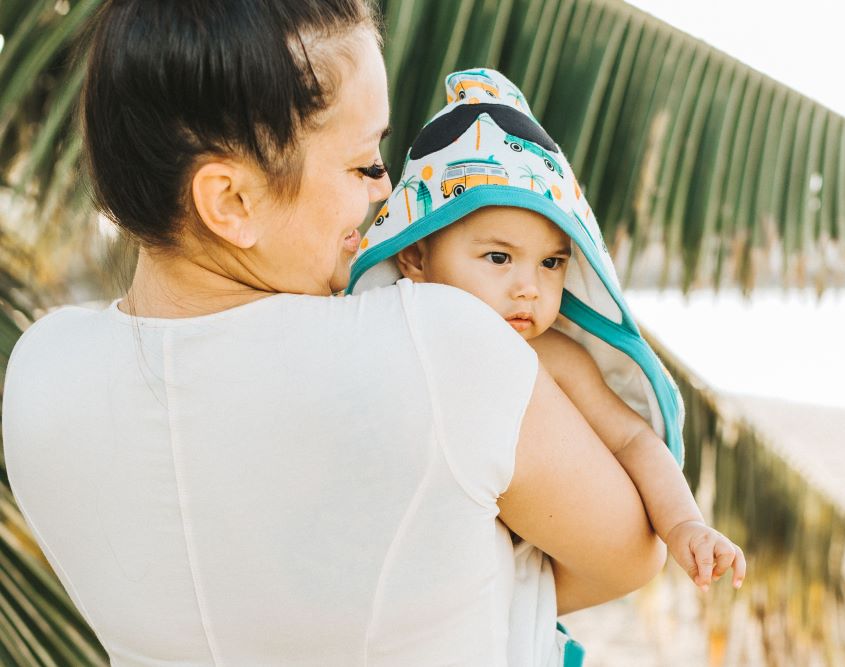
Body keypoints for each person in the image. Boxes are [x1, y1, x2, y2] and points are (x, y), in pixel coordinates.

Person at [1, 3, 664, 666]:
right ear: (230, 200)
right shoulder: (438, 348)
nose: (387, 189)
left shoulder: (40, 376)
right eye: (361, 164)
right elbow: (634, 550)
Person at [349, 68, 747, 666]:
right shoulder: (377, 335)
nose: (529, 289)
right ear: (414, 252)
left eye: (553, 263)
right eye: (499, 257)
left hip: (496, 606)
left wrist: (684, 523)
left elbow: (633, 438)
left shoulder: (553, 357)